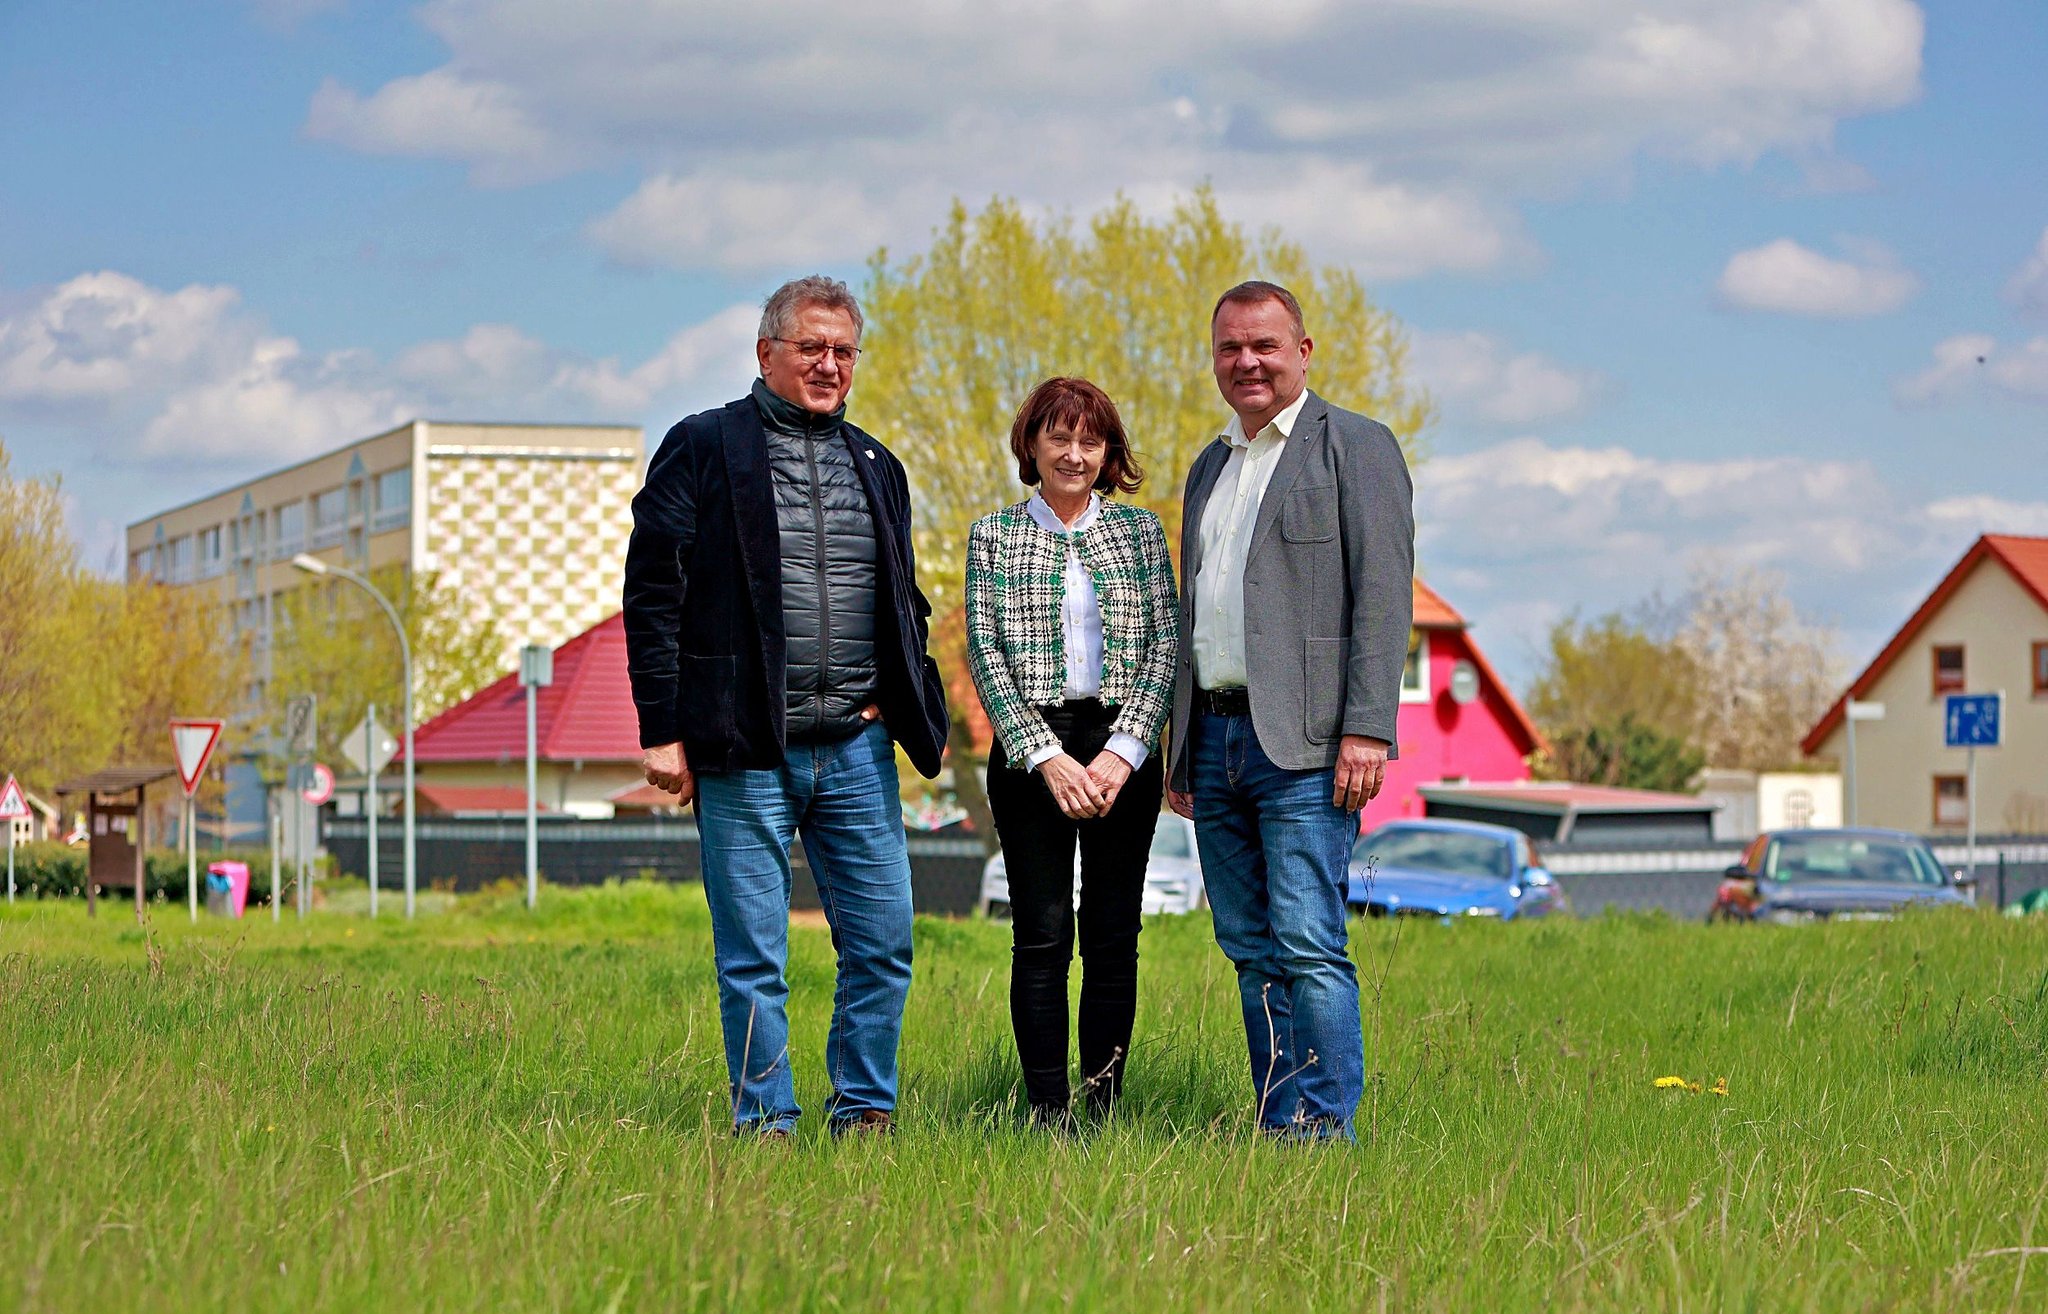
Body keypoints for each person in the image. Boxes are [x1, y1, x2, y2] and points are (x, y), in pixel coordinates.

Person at [623, 274, 949, 1140]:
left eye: (844, 350)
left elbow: (904, 600)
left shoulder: (878, 463)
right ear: (767, 352)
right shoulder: (703, 444)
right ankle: (766, 1122)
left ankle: (864, 1111)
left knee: (883, 943)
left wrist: (907, 700)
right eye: (811, 347)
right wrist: (663, 729)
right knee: (753, 956)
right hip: (744, 746)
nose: (829, 365)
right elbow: (653, 594)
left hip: (856, 748)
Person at [1166, 280, 1414, 1141]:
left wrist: (1368, 728)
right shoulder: (1209, 466)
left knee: (1309, 944)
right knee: (1248, 948)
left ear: (1302, 352)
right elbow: (1197, 610)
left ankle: (1326, 1129)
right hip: (1215, 739)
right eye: (1230, 347)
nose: (1247, 362)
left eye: (1264, 345)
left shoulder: (1355, 446)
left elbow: (1383, 595)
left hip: (1307, 745)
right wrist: (1180, 749)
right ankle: (1280, 1123)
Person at [965, 377, 1179, 1128]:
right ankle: (1047, 1114)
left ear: (1108, 453)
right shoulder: (993, 535)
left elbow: (1165, 646)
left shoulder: (1140, 534)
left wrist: (1124, 751)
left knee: (1114, 938)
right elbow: (985, 654)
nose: (1074, 454)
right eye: (1059, 437)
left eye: (1091, 440)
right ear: (1031, 443)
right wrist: (1046, 757)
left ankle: (1104, 1110)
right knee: (1042, 938)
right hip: (1032, 754)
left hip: (1124, 749)